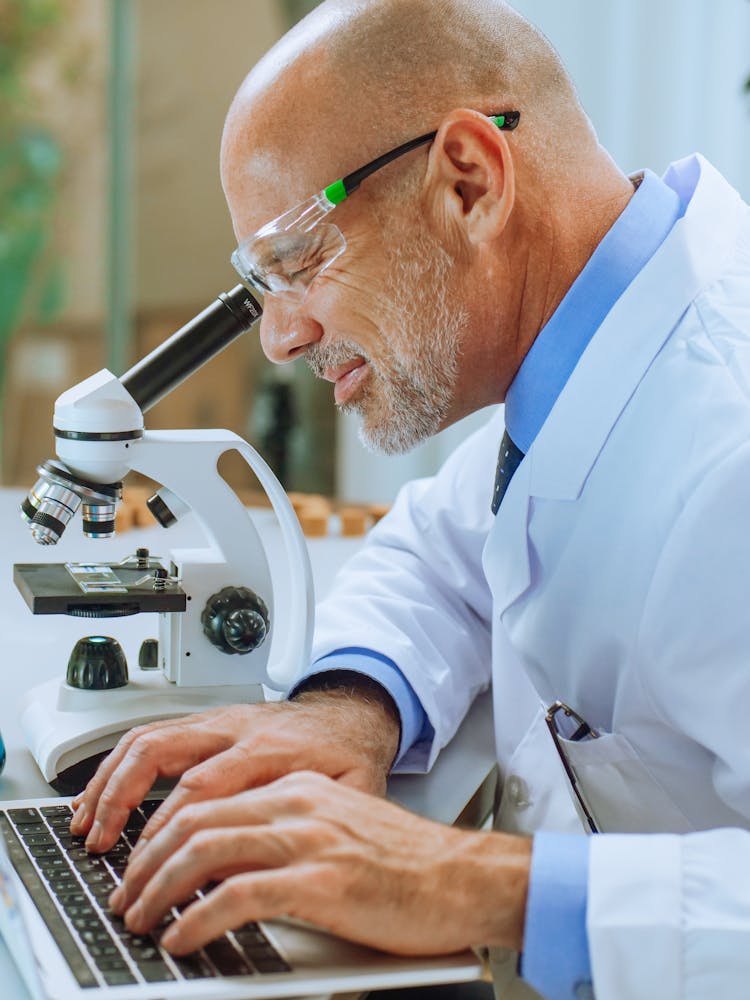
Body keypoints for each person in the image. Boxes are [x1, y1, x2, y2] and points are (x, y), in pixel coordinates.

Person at [70, 1, 750, 997]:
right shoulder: (582, 356)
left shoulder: (726, 435)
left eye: (297, 260)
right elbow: (445, 550)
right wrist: (348, 709)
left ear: (468, 179)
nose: (281, 340)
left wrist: (471, 883)